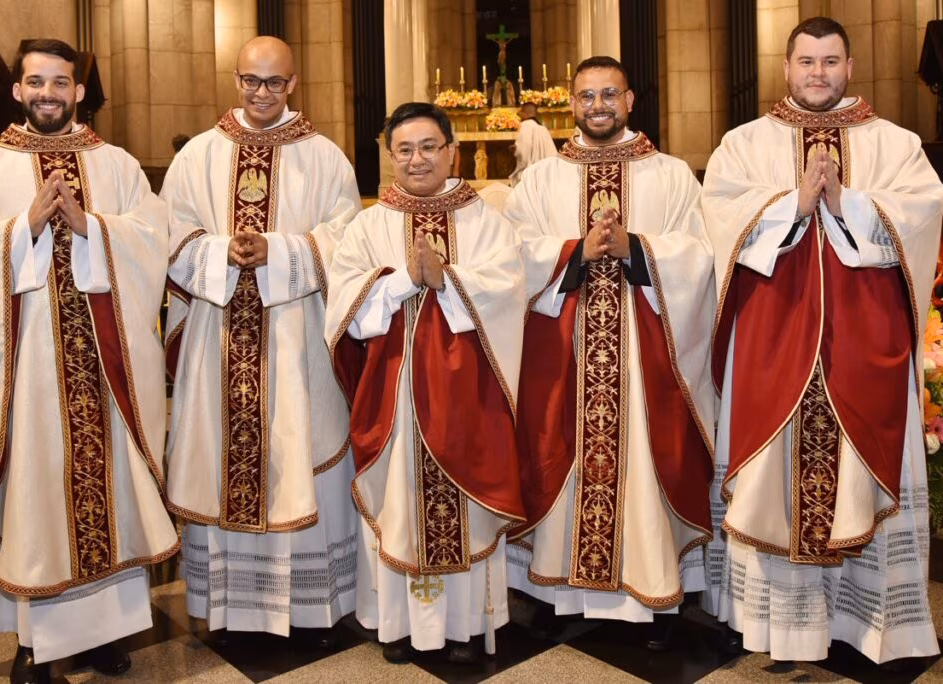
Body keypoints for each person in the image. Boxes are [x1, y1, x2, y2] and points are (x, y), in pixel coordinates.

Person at [0, 39, 177, 683]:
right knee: (38, 496)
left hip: (106, 371)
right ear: (16, 90)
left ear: (78, 91)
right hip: (25, 376)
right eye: (35, 82)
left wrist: (92, 227)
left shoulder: (116, 165)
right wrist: (21, 229)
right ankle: (36, 642)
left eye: (60, 83)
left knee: (108, 490)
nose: (48, 94)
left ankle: (104, 634)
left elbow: (154, 238)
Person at [701, 16, 943, 665]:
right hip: (773, 346)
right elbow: (718, 214)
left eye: (830, 61)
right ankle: (777, 628)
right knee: (769, 485)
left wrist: (847, 203)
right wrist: (793, 204)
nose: (818, 73)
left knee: (864, 480)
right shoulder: (743, 143)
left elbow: (923, 211)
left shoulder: (894, 142)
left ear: (850, 65)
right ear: (787, 67)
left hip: (865, 351)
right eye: (806, 62)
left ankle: (867, 626)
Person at [503, 55, 716, 649]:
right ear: (571, 104)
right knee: (557, 452)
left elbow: (701, 256)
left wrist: (637, 249)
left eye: (608, 95)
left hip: (645, 351)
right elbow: (511, 251)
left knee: (648, 459)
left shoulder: (671, 174)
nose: (596, 106)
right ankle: (555, 589)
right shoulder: (540, 179)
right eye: (585, 96)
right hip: (564, 351)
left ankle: (650, 585)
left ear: (629, 101)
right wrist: (572, 252)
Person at [162, 36, 360, 645]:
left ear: (293, 84)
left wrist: (279, 251)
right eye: (251, 81)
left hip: (296, 339)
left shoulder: (326, 157)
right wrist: (222, 252)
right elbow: (166, 231)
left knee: (301, 449)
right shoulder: (197, 154)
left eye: (274, 83)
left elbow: (348, 236)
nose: (261, 93)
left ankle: (312, 610)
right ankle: (227, 609)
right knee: (221, 453)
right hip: (217, 337)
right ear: (236, 78)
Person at [324, 102, 526, 664]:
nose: (417, 160)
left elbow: (509, 292)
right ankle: (398, 625)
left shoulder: (486, 218)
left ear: (451, 151)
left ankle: (463, 623)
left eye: (429, 147)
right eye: (405, 150)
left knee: (464, 502)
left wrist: (449, 281)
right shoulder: (369, 223)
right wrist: (399, 284)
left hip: (468, 397)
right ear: (389, 156)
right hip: (392, 394)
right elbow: (342, 304)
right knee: (398, 499)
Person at [509, 102, 556, 186]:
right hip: (546, 174)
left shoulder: (525, 125)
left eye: (520, 112)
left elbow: (524, 152)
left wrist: (516, 150)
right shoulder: (542, 128)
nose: (519, 115)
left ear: (524, 113)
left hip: (532, 175)